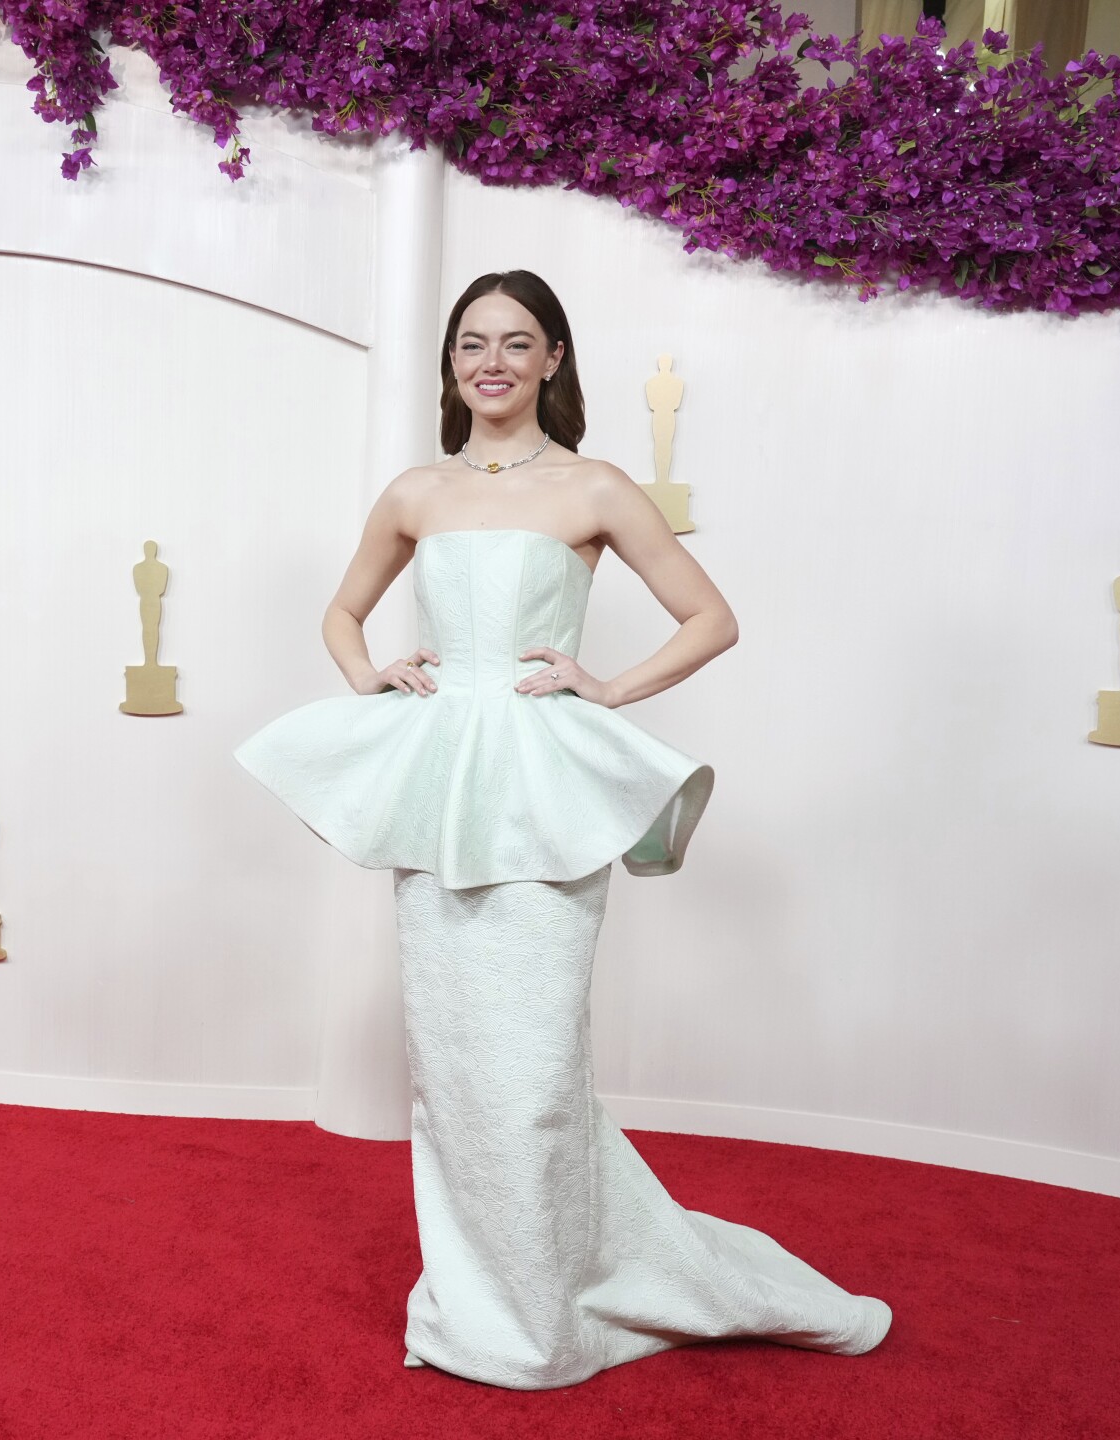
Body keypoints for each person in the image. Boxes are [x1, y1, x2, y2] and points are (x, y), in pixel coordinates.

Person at [234, 271, 892, 1389]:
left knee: (534, 1077)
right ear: (453, 366)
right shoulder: (414, 492)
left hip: (541, 784)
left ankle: (555, 1308)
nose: (492, 360)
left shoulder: (595, 486)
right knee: (454, 1077)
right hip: (445, 786)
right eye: (472, 344)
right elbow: (344, 612)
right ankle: (484, 1305)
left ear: (552, 360)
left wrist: (607, 690)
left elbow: (712, 618)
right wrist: (374, 678)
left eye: (516, 342)